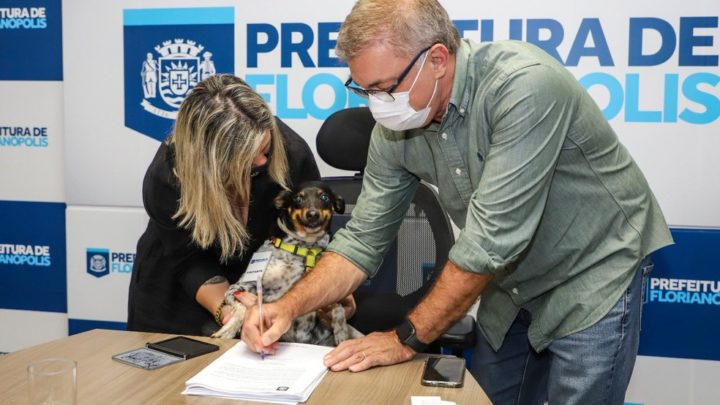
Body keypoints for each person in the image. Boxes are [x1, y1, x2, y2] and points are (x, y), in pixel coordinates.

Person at [241, 1, 673, 404]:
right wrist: (285, 307)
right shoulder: (396, 127)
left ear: (437, 60)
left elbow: (487, 244)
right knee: (484, 397)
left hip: (590, 271)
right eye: (363, 89)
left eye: (385, 87)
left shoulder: (524, 87)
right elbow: (362, 240)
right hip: (510, 280)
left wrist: (402, 339)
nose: (376, 105)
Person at [127, 74, 353, 336]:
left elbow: (309, 241)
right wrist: (232, 311)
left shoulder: (292, 153)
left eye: (265, 150)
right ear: (209, 162)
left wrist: (325, 290)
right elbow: (189, 262)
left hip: (264, 289)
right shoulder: (168, 178)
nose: (261, 162)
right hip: (176, 296)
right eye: (246, 157)